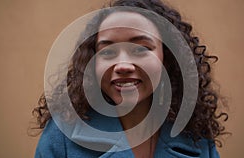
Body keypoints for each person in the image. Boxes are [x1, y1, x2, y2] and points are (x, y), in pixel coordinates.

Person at [32, 0, 229, 157]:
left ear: (167, 59)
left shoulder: (197, 139)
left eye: (140, 49)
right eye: (107, 52)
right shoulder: (61, 138)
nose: (123, 65)